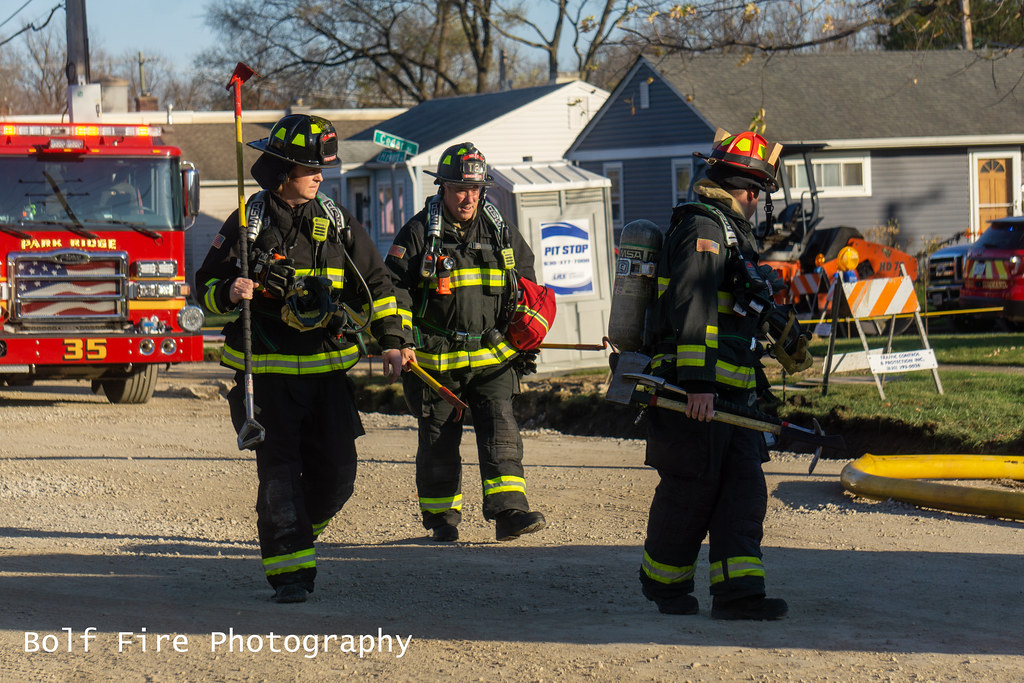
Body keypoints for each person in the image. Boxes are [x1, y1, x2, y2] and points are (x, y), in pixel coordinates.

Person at [195, 114, 407, 603]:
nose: (320, 176)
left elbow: (378, 285)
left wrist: (392, 339)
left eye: (321, 168)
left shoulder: (334, 221)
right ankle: (290, 573)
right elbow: (202, 286)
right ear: (282, 169)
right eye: (311, 168)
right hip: (266, 376)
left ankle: (296, 531)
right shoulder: (247, 223)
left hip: (327, 374)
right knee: (280, 477)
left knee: (338, 476)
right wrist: (230, 289)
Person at [638, 128, 790, 620]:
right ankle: (665, 587)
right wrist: (699, 382)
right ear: (746, 188)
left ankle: (740, 597)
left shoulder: (729, 231)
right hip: (695, 395)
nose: (757, 202)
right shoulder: (704, 228)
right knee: (690, 494)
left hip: (733, 398)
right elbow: (692, 304)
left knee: (743, 494)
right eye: (758, 193)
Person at [385, 142, 546, 543]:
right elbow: (393, 290)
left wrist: (527, 330)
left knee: (501, 429)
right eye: (460, 188)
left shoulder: (500, 231)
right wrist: (399, 340)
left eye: (476, 189)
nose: (468, 197)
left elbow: (525, 282)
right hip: (434, 363)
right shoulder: (419, 232)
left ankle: (509, 513)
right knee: (439, 441)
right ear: (442, 187)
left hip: (492, 357)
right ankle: (442, 521)